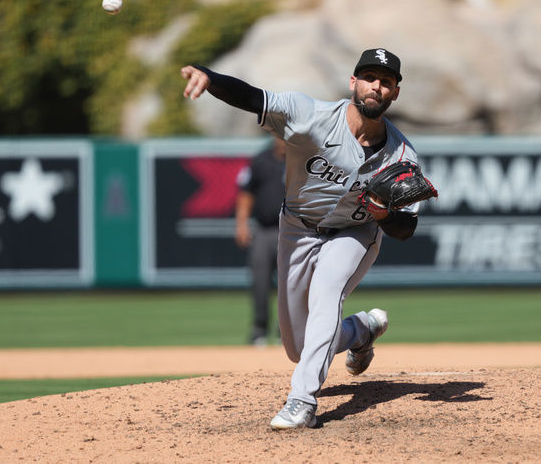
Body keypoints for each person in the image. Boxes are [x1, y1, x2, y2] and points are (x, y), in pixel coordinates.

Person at [181, 48, 423, 429]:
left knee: (328, 291)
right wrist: (210, 78)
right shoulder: (309, 115)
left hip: (354, 232)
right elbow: (252, 97)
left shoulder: (403, 155)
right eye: (370, 77)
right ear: (353, 82)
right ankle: (361, 330)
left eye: (387, 82)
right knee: (296, 347)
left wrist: (383, 215)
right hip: (297, 227)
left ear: (395, 93)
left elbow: (405, 228)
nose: (377, 86)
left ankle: (302, 401)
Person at [235, 138, 286, 346]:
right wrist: (241, 223)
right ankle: (259, 331)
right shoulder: (261, 160)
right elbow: (246, 193)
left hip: (291, 232)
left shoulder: (300, 158)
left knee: (292, 285)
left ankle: (287, 333)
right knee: (260, 283)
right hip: (264, 230)